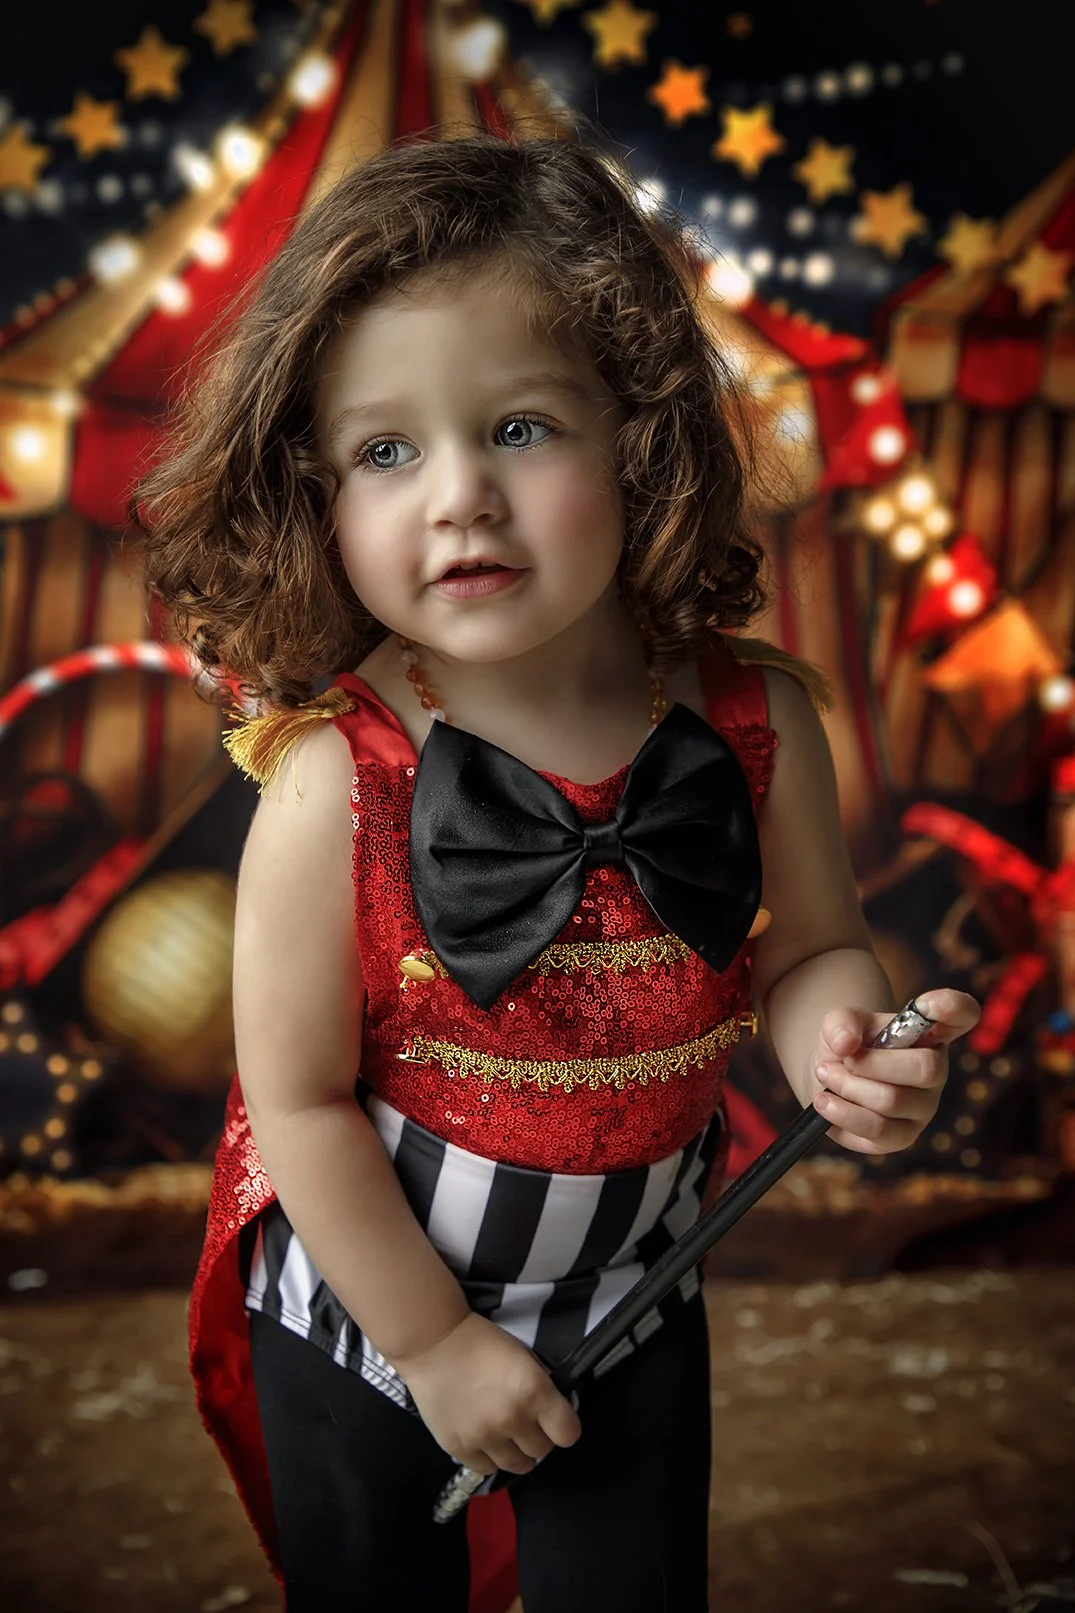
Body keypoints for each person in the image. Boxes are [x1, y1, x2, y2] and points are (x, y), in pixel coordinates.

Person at [137, 130, 979, 1612]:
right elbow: (297, 1101)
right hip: (362, 1308)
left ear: (640, 433)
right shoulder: (334, 776)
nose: (457, 495)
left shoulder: (753, 718)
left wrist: (844, 1047)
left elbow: (812, 950)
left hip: (635, 1289)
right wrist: (436, 1349)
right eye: (386, 451)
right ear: (314, 496)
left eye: (521, 427)